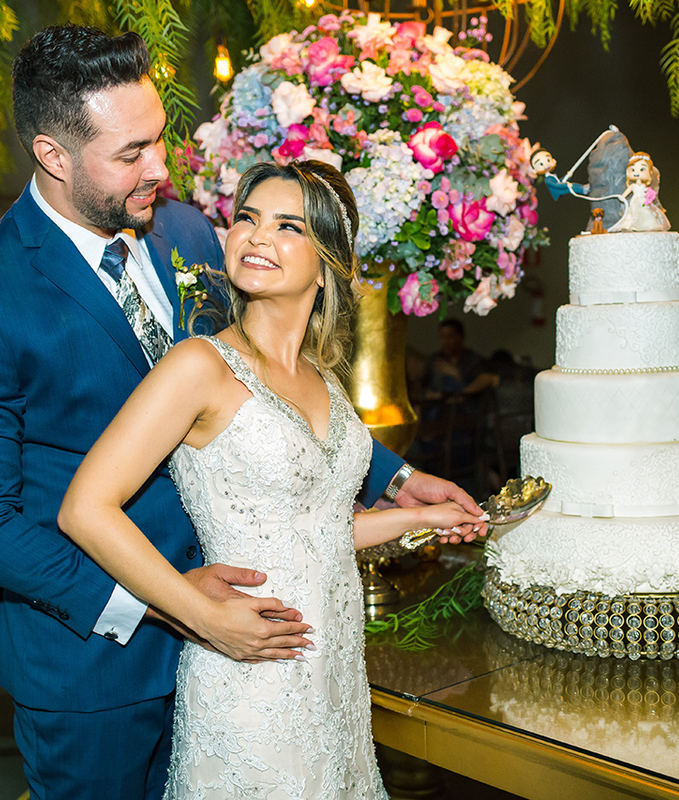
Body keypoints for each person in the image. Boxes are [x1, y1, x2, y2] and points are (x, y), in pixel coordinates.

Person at [0, 26, 481, 800]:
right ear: (53, 156)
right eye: (131, 153)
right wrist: (172, 606)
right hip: (95, 664)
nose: (162, 169)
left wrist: (395, 475)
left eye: (159, 141)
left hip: (243, 651)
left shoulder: (180, 230)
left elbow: (259, 388)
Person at [59, 160, 484, 798]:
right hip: (248, 676)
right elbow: (86, 509)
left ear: (329, 263)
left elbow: (312, 529)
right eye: (247, 219)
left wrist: (421, 518)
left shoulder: (328, 384)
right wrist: (202, 615)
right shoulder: (200, 365)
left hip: (334, 675)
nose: (257, 237)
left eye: (288, 226)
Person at [608, 152, 670, 232]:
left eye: (642, 169)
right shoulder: (633, 186)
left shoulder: (644, 187)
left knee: (646, 213)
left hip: (643, 202)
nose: (636, 172)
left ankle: (647, 225)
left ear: (650, 173)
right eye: (633, 170)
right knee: (632, 213)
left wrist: (649, 197)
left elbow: (650, 194)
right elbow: (625, 194)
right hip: (634, 201)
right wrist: (622, 197)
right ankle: (631, 226)